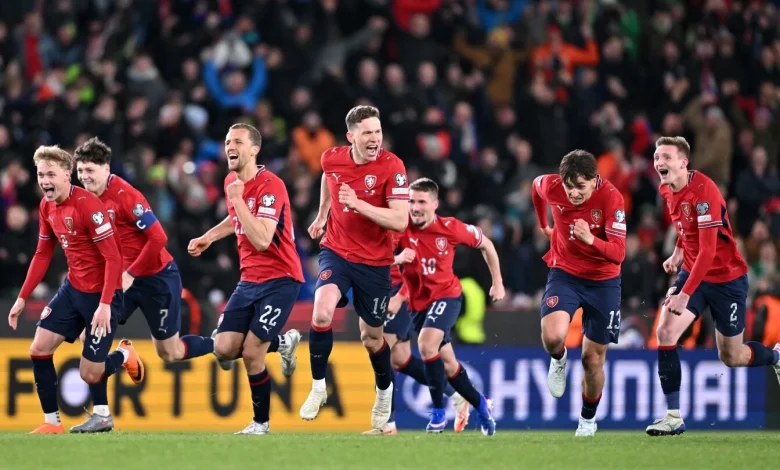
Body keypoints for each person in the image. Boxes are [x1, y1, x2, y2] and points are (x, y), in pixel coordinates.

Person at [67, 137, 217, 432]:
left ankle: (220, 344)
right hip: (121, 279)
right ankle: (102, 412)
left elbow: (158, 238)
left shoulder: (125, 194)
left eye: (90, 171)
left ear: (106, 168)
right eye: (81, 171)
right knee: (90, 334)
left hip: (156, 277)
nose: (84, 177)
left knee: (170, 353)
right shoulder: (83, 200)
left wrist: (132, 273)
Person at [646, 136, 780, 436]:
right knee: (665, 331)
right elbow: (685, 226)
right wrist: (679, 251)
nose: (659, 162)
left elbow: (708, 251)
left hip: (727, 278)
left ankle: (776, 357)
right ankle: (673, 415)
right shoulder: (666, 189)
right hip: (695, 271)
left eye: (667, 156)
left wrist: (684, 294)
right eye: (657, 156)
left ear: (684, 162)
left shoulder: (705, 192)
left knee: (731, 357)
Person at [7, 145, 143, 434]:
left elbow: (113, 258)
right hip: (72, 289)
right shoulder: (46, 206)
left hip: (102, 295)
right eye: (41, 174)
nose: (44, 181)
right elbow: (42, 254)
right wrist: (22, 297)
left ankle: (123, 356)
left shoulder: (89, 207)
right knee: (39, 349)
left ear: (67, 175)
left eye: (51, 174)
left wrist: (105, 304)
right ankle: (52, 422)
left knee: (89, 372)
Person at [188, 123, 304, 435]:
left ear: (254, 149)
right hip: (249, 279)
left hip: (281, 279)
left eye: (237, 141)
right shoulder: (232, 182)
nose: (229, 147)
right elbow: (235, 218)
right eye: (227, 141)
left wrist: (238, 200)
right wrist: (209, 237)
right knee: (224, 348)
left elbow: (264, 239)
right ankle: (282, 342)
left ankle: (260, 424)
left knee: (252, 352)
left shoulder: (271, 185)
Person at [300, 105, 408, 431]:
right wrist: (322, 214)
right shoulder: (331, 158)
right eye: (367, 133)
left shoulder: (393, 167)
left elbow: (401, 220)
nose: (375, 138)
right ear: (351, 137)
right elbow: (327, 178)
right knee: (320, 313)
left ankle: (384, 389)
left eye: (377, 132)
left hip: (375, 262)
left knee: (372, 338)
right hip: (336, 250)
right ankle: (319, 387)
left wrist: (358, 204)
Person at [531, 149, 627, 437]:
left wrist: (591, 239)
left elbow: (619, 253)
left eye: (580, 187)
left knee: (592, 360)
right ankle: (558, 359)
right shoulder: (552, 185)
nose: (573, 193)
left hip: (603, 281)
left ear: (595, 180)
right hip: (566, 273)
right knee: (552, 337)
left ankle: (587, 420)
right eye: (569, 187)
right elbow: (535, 189)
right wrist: (543, 224)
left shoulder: (612, 198)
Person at [396, 177, 502, 435]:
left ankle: (437, 415)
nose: (415, 207)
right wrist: (397, 260)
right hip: (417, 306)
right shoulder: (399, 228)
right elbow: (376, 257)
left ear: (435, 204)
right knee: (448, 363)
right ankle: (481, 403)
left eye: (421, 201)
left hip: (447, 296)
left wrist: (497, 282)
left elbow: (486, 244)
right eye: (411, 201)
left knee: (426, 344)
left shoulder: (450, 228)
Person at [362, 236, 469, 435]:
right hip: (384, 289)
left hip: (399, 292)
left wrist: (401, 296)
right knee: (399, 359)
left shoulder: (401, 223)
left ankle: (387, 423)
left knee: (380, 349)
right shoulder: (373, 220)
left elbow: (416, 262)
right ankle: (456, 395)